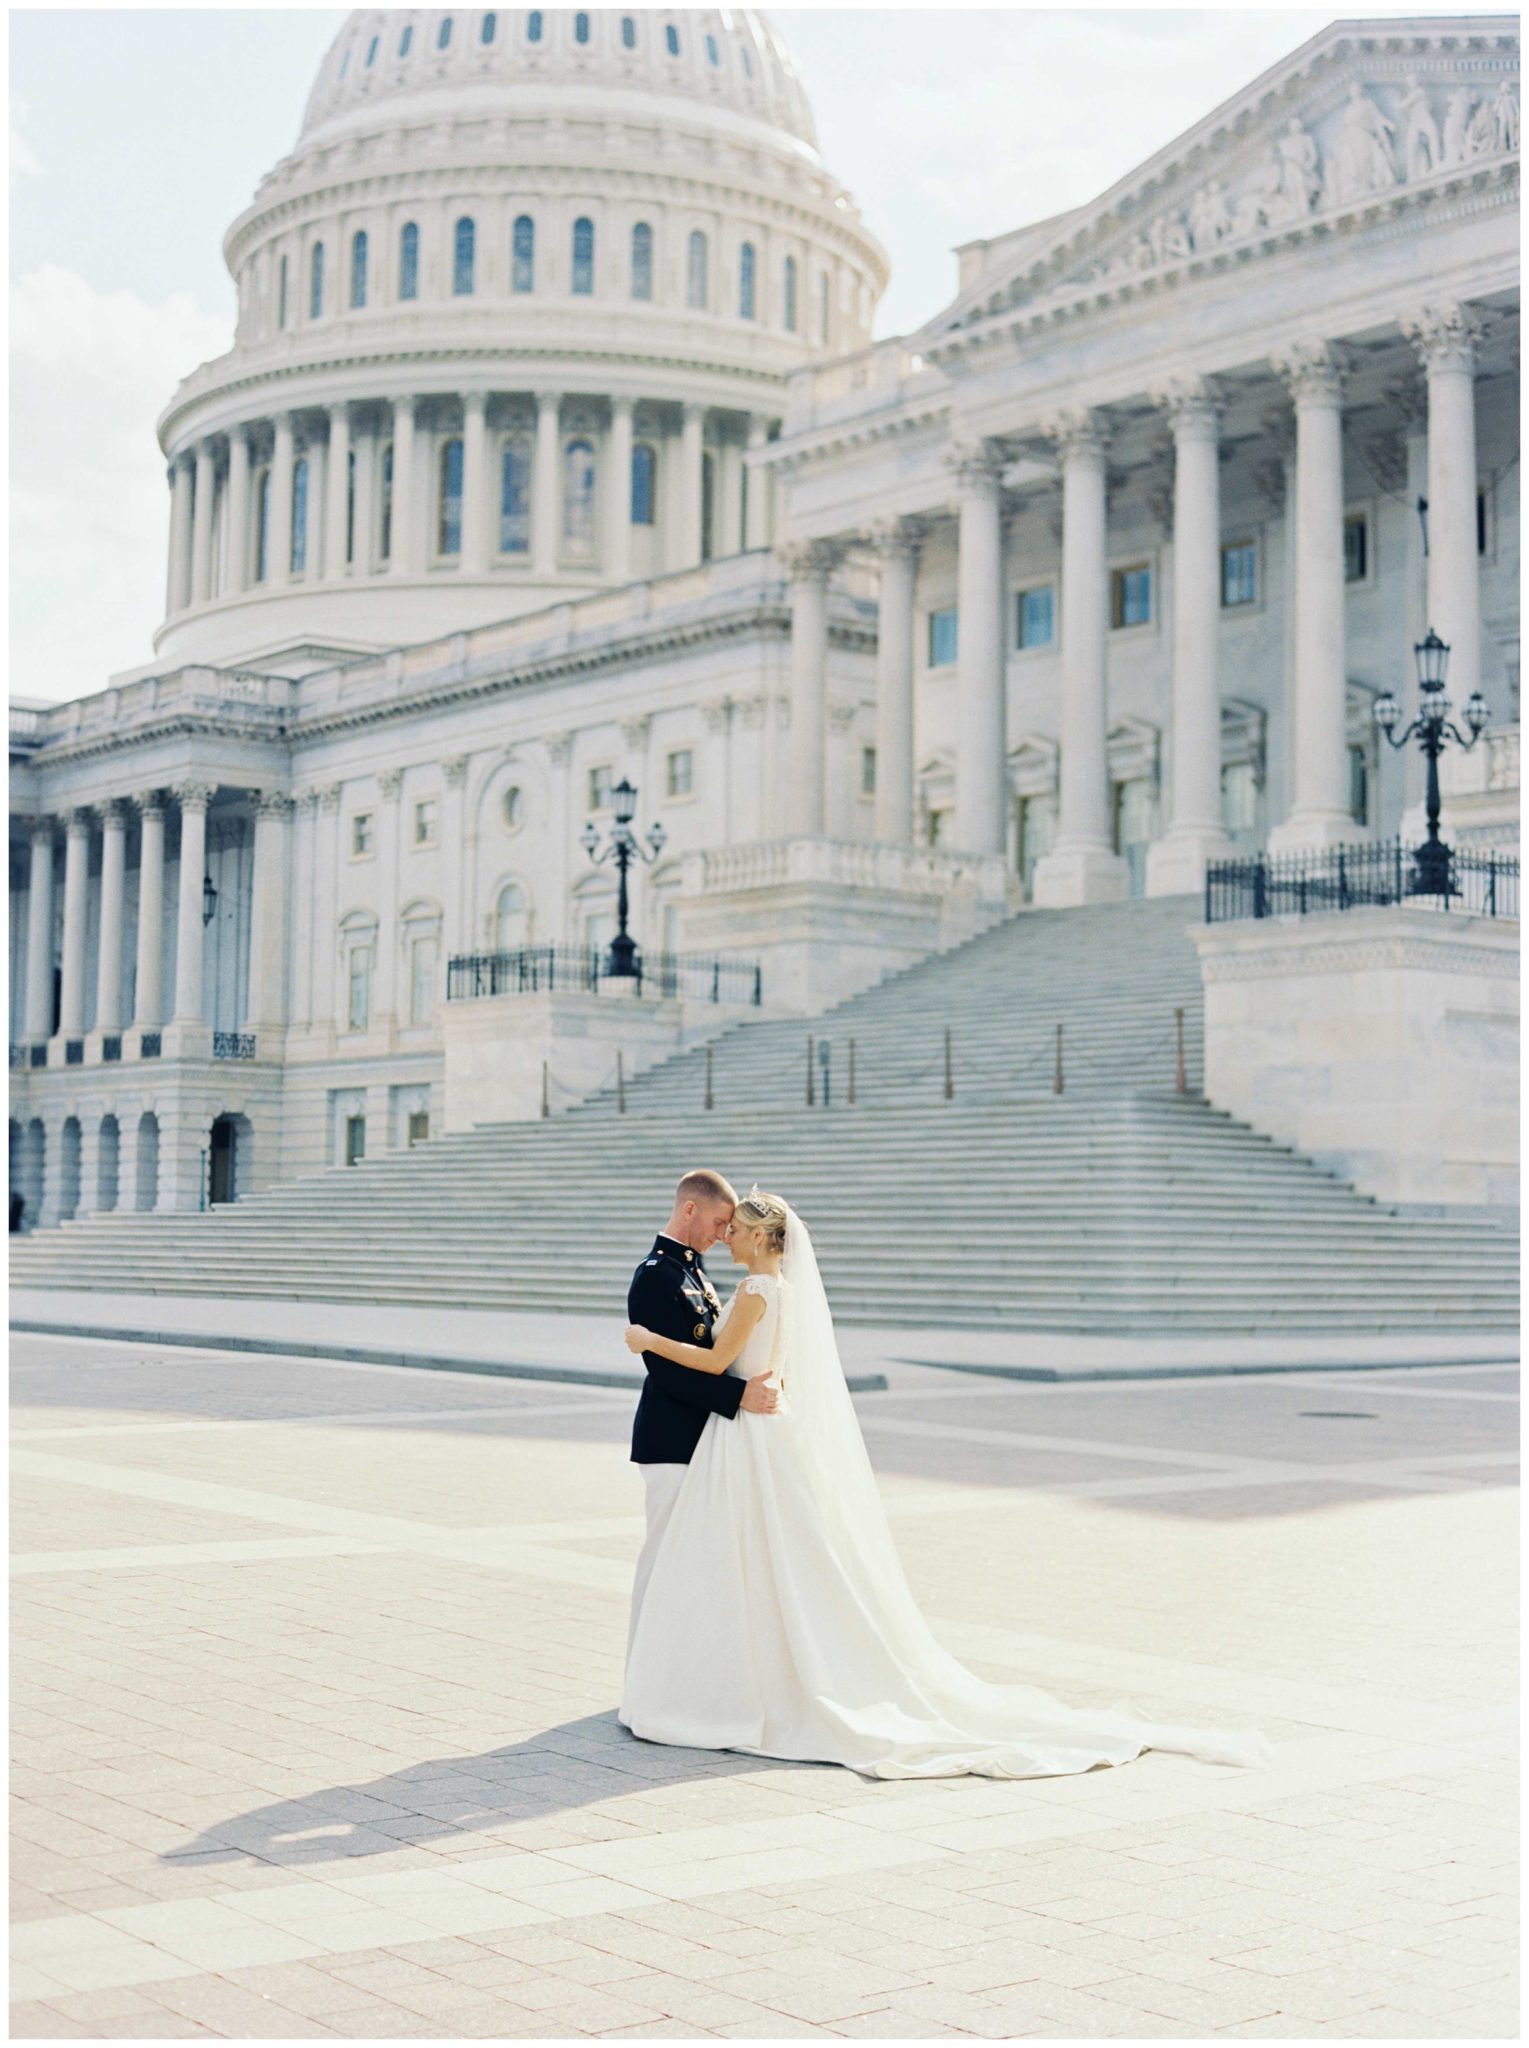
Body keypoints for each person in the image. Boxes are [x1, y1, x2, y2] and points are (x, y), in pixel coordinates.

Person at [620, 1187, 1271, 1780]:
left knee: (745, 1562)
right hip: (765, 1434)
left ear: (761, 1239)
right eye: (722, 1225)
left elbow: (710, 1359)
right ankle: (758, 1674)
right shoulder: (778, 1292)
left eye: (735, 1228)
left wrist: (647, 1340)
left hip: (749, 1441)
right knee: (774, 1563)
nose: (726, 1235)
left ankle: (736, 1682)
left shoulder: (756, 1291)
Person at [625, 1168, 779, 1656]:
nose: (721, 1234)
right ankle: (643, 1671)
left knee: (694, 1566)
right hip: (671, 1439)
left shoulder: (695, 1271)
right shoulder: (655, 1276)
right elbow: (666, 1370)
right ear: (690, 1209)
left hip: (707, 1440)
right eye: (717, 1222)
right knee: (662, 1558)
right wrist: (737, 1398)